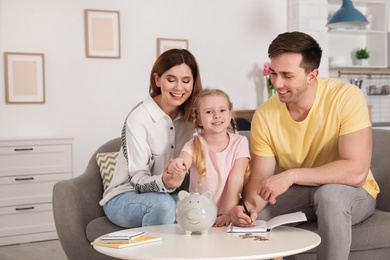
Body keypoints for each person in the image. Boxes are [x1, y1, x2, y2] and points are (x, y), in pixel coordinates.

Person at [230, 31, 379, 260]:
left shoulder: (347, 97)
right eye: (273, 73)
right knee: (253, 221)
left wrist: (291, 175)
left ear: (312, 75)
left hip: (351, 192)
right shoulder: (265, 114)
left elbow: (356, 172)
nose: (277, 83)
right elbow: (260, 179)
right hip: (302, 192)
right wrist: (248, 207)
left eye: (287, 75)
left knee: (329, 195)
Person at [99, 49, 203, 227]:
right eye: (171, 80)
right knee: (163, 205)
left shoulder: (195, 116)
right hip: (127, 195)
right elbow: (137, 178)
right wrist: (164, 181)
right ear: (157, 80)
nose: (179, 88)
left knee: (200, 205)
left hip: (171, 195)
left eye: (186, 81)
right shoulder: (138, 118)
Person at [168, 89, 250, 227]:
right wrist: (175, 165)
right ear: (199, 119)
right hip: (198, 213)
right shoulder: (193, 144)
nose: (217, 116)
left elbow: (236, 178)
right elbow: (182, 163)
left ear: (230, 115)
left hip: (229, 212)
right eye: (209, 112)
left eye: (222, 110)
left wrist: (228, 213)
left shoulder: (240, 142)